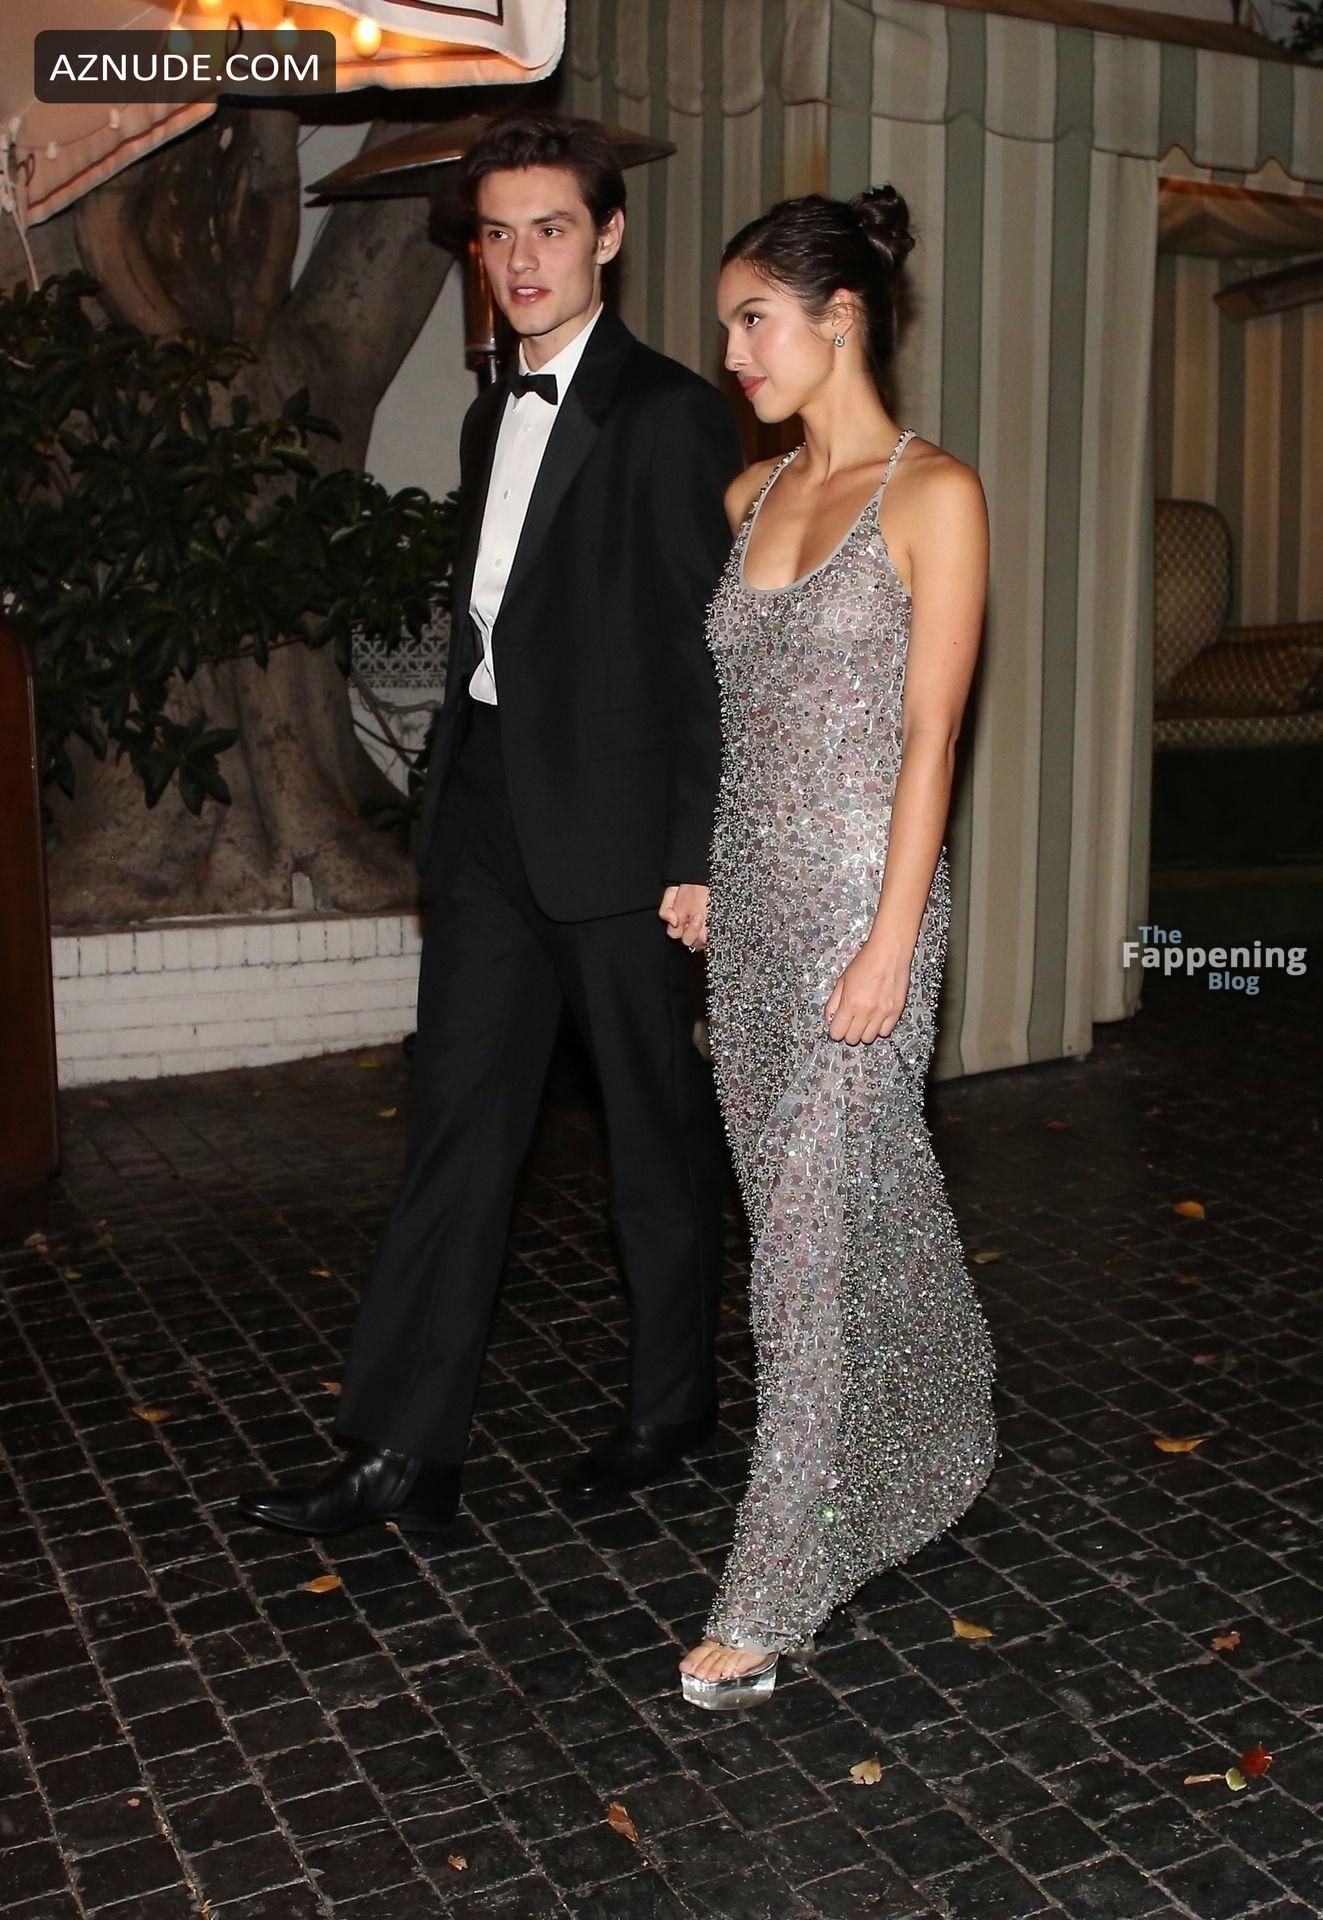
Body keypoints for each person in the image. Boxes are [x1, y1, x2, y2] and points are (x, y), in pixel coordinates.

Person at [238, 108, 743, 1540]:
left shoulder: (670, 413)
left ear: (608, 237)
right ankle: (405, 1448)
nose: (521, 260)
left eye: (551, 230)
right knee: (456, 1132)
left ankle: (672, 1405)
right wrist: (445, 795)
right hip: (483, 822)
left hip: (623, 837)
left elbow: (705, 652)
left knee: (650, 1133)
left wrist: (696, 852)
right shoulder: (484, 410)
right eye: (499, 234)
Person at [676, 186, 999, 1709]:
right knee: (819, 1218)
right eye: (729, 325)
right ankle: (938, 1426)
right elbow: (742, 727)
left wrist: (890, 941)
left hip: (868, 913)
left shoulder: (934, 495)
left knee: (802, 1262)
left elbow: (932, 740)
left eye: (755, 320)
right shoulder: (749, 498)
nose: (735, 351)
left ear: (839, 317)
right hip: (752, 916)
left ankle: (772, 1588)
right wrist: (707, 873)